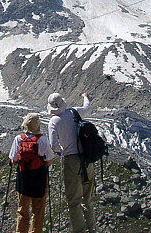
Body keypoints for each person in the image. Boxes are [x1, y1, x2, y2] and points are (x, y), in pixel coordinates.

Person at [47, 92, 94, 233]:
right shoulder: (74, 112)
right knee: (88, 199)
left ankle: (79, 231)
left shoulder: (54, 122)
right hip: (86, 158)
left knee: (74, 202)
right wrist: (85, 96)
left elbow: (53, 145)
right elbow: (87, 108)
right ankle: (92, 229)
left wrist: (63, 150)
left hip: (70, 160)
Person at [8, 112, 54, 233]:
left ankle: (20, 231)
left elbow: (13, 159)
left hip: (23, 178)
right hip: (39, 178)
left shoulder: (18, 139)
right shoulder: (43, 139)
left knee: (22, 210)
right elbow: (49, 160)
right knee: (38, 211)